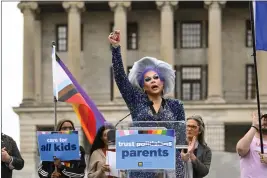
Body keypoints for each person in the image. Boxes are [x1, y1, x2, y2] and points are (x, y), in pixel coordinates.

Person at [108, 30, 185, 178]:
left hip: (170, 166)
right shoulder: (136, 101)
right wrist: (116, 48)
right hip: (142, 165)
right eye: (148, 79)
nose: (153, 81)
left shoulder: (176, 106)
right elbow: (120, 78)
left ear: (163, 82)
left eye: (156, 77)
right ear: (143, 86)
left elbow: (180, 139)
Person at [236, 112, 267, 178]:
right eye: (262, 118)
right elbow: (240, 149)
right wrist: (255, 126)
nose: (265, 120)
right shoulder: (249, 139)